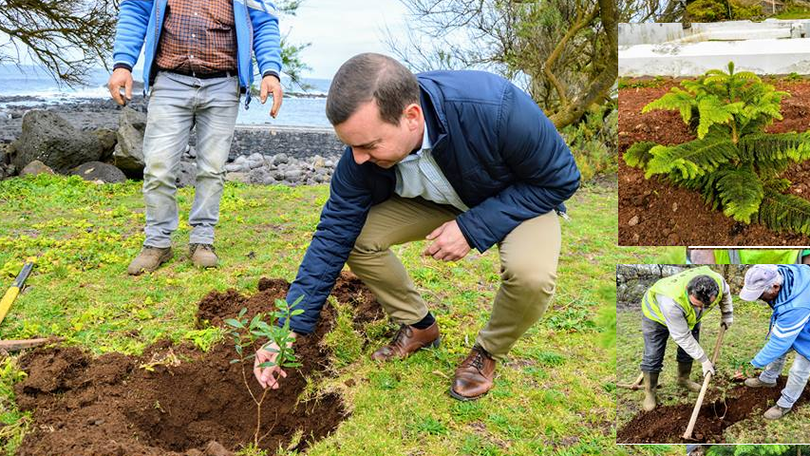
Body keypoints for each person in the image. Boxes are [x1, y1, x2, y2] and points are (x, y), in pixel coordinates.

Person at [253, 53, 580, 400]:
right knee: (356, 238)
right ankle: (419, 326)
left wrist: (471, 228)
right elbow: (334, 231)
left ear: (411, 117)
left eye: (369, 145)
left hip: (516, 197)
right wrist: (288, 328)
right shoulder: (359, 158)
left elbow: (560, 180)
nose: (358, 158)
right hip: (440, 199)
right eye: (350, 146)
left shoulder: (494, 107)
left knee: (531, 275)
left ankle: (487, 352)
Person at [108, 0, 284, 274]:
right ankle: (157, 244)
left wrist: (270, 71)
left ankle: (202, 241)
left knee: (212, 169)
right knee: (158, 167)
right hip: (169, 81)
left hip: (223, 84)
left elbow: (264, 23)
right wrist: (123, 64)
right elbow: (135, 10)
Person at [639, 266, 734, 411]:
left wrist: (727, 314)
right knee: (653, 354)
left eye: (705, 306)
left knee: (690, 347)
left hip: (687, 317)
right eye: (696, 305)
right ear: (688, 291)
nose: (700, 309)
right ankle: (650, 392)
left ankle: (683, 379)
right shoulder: (670, 301)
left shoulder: (718, 283)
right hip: (656, 316)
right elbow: (682, 337)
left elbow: (725, 294)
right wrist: (704, 360)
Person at [740, 264, 810, 420]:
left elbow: (779, 343)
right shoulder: (777, 271)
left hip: (804, 315)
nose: (758, 298)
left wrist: (753, 364)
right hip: (803, 313)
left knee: (800, 367)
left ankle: (785, 404)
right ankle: (768, 379)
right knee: (780, 350)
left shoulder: (796, 305)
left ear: (776, 286)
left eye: (760, 294)